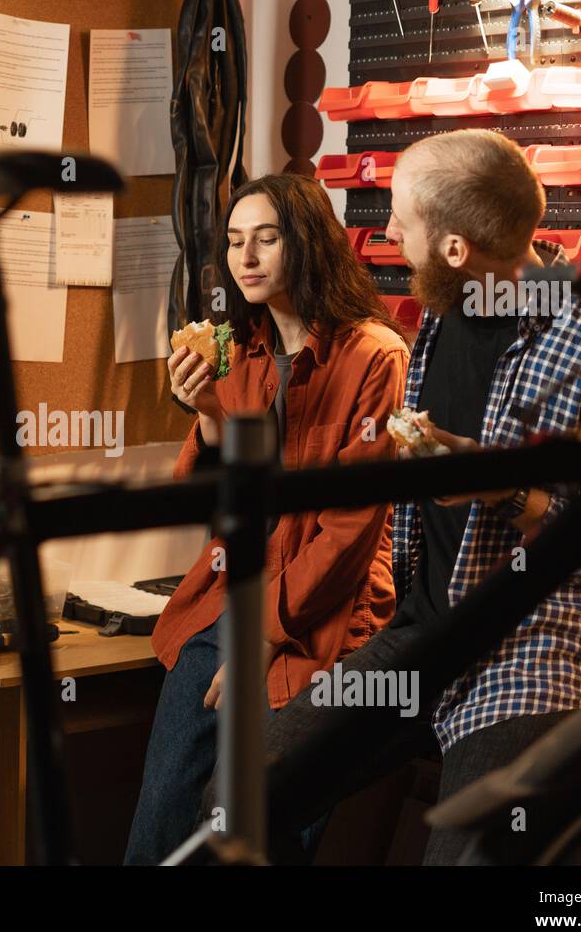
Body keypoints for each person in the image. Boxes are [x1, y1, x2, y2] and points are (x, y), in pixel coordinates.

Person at [218, 128, 581, 865]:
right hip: (422, 636)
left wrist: (498, 487)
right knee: (243, 793)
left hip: (527, 653)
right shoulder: (441, 312)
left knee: (468, 856)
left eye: (399, 218)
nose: (386, 234)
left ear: (457, 248)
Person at [123, 174, 410, 865]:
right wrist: (209, 418)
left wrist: (266, 640)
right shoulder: (233, 351)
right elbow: (214, 505)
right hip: (229, 601)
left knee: (258, 833)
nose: (245, 257)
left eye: (267, 238)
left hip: (325, 619)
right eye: (234, 241)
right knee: (161, 823)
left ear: (306, 241)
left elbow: (350, 530)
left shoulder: (374, 355)